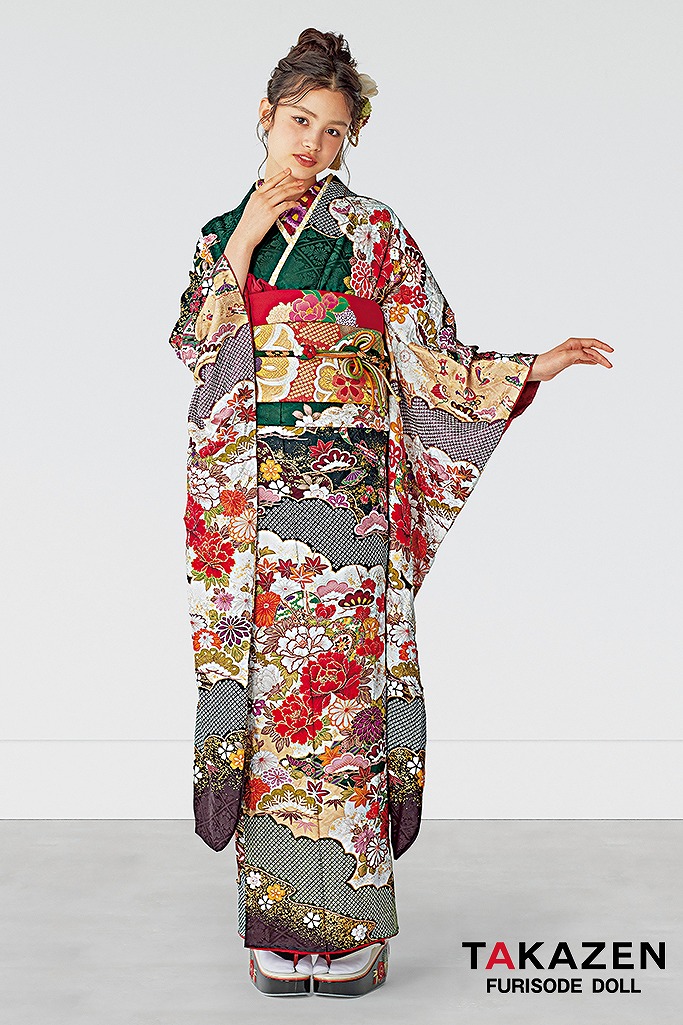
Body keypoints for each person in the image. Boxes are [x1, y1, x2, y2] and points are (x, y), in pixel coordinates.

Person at [168, 27, 614, 998]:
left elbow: (433, 358)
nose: (313, 146)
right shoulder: (218, 235)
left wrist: (529, 367)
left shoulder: (375, 234)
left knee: (346, 701)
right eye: (299, 122)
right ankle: (280, 926)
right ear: (265, 116)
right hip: (256, 501)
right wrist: (242, 241)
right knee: (275, 702)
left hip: (350, 500)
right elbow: (198, 355)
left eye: (333, 132)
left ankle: (352, 928)